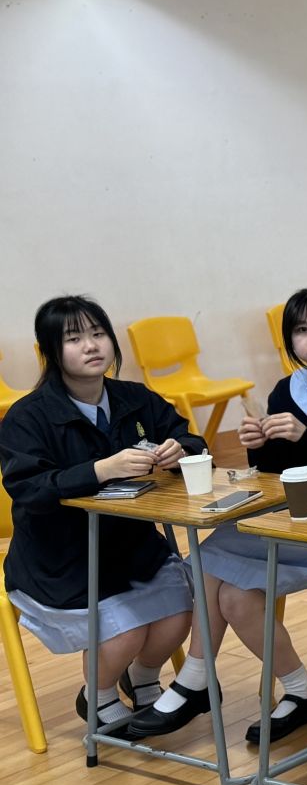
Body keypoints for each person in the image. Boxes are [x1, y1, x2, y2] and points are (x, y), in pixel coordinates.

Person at [127, 286, 307, 744]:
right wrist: (259, 446)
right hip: (297, 523)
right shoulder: (285, 391)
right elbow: (276, 477)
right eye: (302, 330)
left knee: (210, 558)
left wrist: (306, 438)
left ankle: (196, 679)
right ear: (289, 341)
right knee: (232, 591)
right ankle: (300, 691)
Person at [0, 297, 202, 733]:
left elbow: (189, 437)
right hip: (60, 559)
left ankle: (143, 678)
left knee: (180, 611)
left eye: (98, 334)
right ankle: (98, 695)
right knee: (125, 631)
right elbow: (29, 487)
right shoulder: (27, 416)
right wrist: (100, 470)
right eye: (74, 339)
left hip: (131, 546)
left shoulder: (135, 398)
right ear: (50, 352)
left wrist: (180, 450)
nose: (91, 346)